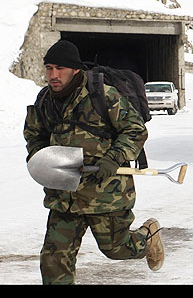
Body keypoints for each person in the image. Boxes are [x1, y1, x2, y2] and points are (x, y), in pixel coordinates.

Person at [23, 40, 164, 284]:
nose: (53, 75)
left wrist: (114, 158)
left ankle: (148, 238)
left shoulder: (103, 95)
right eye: (49, 68)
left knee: (117, 249)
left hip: (105, 192)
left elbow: (135, 130)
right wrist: (43, 159)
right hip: (65, 194)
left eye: (60, 69)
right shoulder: (45, 100)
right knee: (54, 261)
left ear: (75, 69)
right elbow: (35, 135)